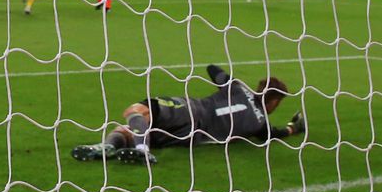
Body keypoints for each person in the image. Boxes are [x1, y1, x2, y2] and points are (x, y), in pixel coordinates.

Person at [71, 64, 306, 165]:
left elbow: (212, 69)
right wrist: (293, 128)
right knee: (139, 128)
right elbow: (272, 135)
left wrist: (231, 80)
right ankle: (111, 148)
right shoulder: (260, 123)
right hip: (191, 138)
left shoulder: (238, 88)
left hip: (192, 109)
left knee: (137, 111)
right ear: (274, 102)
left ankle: (139, 150)